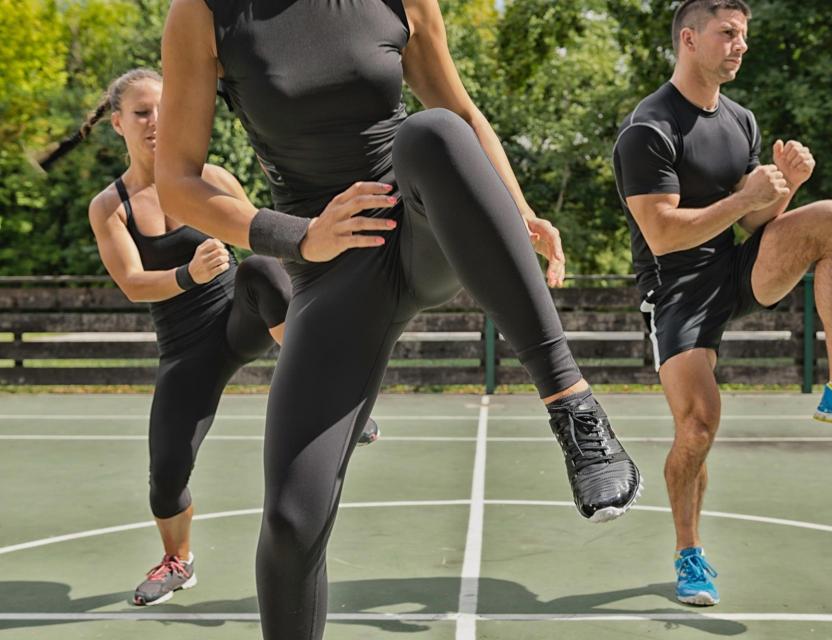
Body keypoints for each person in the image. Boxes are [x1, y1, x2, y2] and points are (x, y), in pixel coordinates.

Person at [156, 0, 643, 636]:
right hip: (330, 270)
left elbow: (464, 115)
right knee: (290, 523)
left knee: (429, 132)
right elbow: (176, 182)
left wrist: (517, 210)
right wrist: (300, 236)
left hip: (420, 231)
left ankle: (571, 403)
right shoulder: (205, 13)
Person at [613, 0, 832, 607]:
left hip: (732, 269)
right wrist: (746, 198)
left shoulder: (740, 120)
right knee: (698, 426)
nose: (740, 45)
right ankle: (688, 553)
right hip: (675, 292)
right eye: (728, 34)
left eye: (744, 35)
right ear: (689, 39)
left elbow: (755, 223)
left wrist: (786, 189)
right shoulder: (648, 129)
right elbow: (663, 234)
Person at [39, 68, 378, 607]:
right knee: (166, 475)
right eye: (143, 113)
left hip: (237, 318)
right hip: (185, 348)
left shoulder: (211, 179)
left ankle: (328, 394)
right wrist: (187, 275)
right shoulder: (111, 206)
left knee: (263, 271)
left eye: (165, 110)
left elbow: (262, 237)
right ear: (118, 124)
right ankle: (178, 562)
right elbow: (131, 283)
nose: (156, 122)